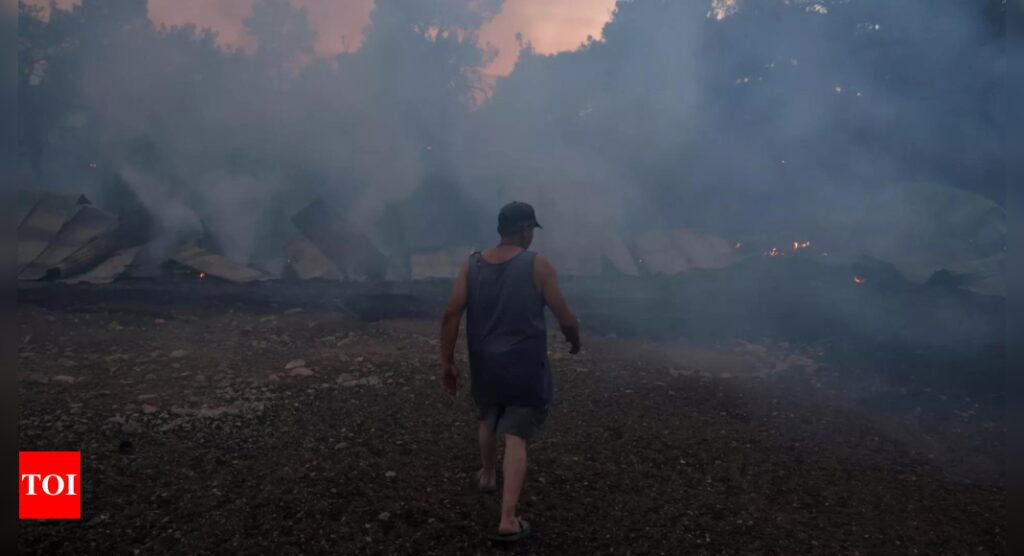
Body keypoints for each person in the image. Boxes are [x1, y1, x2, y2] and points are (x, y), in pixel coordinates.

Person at [439, 201, 581, 543]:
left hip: (484, 361)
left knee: (489, 416)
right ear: (525, 231)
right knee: (516, 434)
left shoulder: (471, 265)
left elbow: (451, 314)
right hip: (524, 365)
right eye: (531, 230)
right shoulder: (538, 265)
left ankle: (488, 475)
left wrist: (447, 362)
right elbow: (565, 315)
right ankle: (508, 518)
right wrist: (574, 339)